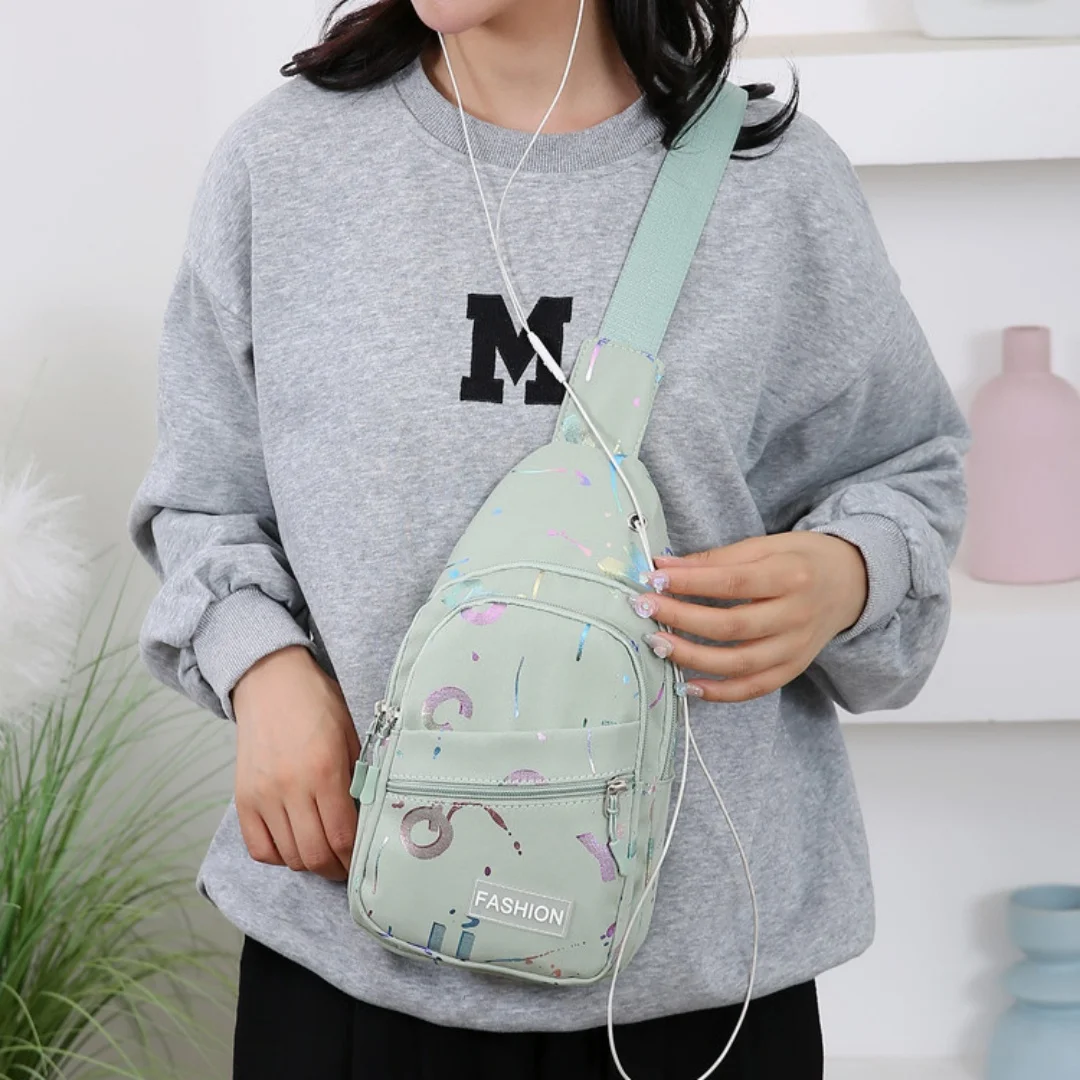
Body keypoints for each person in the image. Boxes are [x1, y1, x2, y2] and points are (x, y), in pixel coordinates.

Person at [128, 1, 970, 1077]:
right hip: (348, 956)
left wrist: (848, 573)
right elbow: (203, 497)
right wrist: (263, 670)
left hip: (696, 990)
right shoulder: (282, 164)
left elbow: (910, 468)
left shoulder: (778, 185)